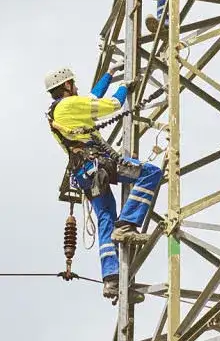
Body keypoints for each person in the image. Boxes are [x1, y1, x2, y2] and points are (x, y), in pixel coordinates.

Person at [44, 64, 162, 302]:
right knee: (150, 173)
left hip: (84, 174)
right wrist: (124, 87)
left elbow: (92, 97)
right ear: (67, 85)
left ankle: (111, 279)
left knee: (105, 217)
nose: (76, 87)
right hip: (99, 164)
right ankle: (127, 223)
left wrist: (109, 74)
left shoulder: (58, 112)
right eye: (73, 84)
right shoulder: (69, 105)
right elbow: (114, 105)